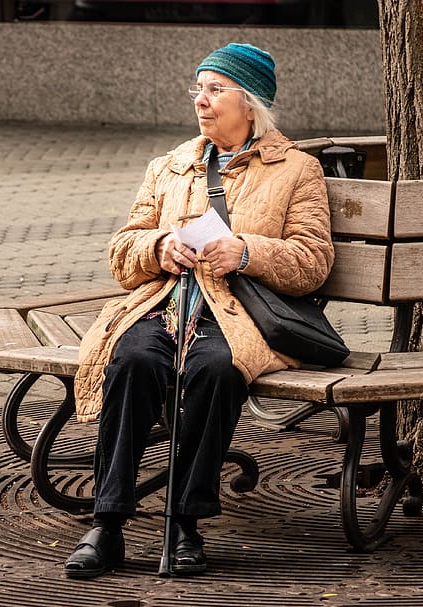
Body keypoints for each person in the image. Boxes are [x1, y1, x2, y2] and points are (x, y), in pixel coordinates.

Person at [66, 42, 334, 578]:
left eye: (215, 90)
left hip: (236, 314)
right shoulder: (170, 166)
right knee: (134, 360)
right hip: (164, 303)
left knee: (215, 369)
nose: (201, 101)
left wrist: (249, 251)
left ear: (250, 102)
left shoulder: (297, 170)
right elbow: (124, 251)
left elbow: (313, 260)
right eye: (198, 89)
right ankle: (108, 521)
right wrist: (159, 247)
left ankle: (185, 522)